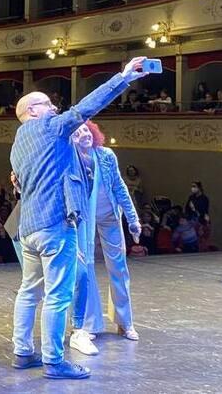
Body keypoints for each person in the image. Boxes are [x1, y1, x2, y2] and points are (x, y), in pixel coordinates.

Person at [9, 56, 150, 380]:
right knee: (58, 295)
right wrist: (124, 78)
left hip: (29, 229)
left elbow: (20, 182)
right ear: (32, 112)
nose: (54, 107)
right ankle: (54, 361)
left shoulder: (18, 144)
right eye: (47, 104)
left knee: (29, 290)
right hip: (56, 225)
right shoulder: (48, 127)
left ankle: (22, 352)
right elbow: (84, 109)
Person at [68, 121, 142, 357]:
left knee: (119, 267)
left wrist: (133, 220)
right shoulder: (70, 160)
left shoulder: (106, 155)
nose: (84, 135)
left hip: (110, 214)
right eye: (78, 133)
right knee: (86, 268)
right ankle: (88, 325)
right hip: (85, 217)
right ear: (72, 140)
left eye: (86, 130)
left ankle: (124, 321)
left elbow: (120, 187)